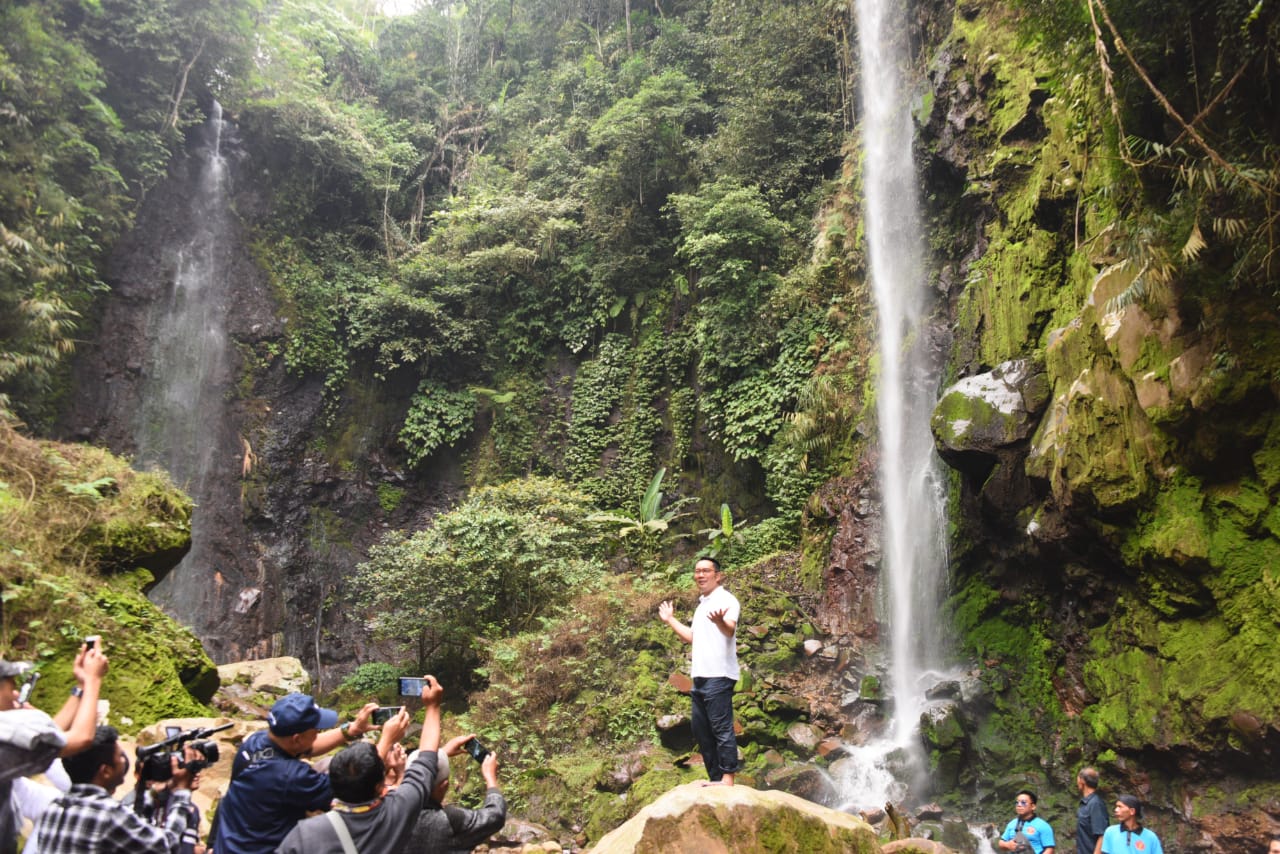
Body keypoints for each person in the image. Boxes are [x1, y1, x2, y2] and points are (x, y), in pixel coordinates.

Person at [274, 677, 443, 853]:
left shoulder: (306, 834)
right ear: (380, 787)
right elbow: (426, 761)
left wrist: (352, 730)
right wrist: (433, 707)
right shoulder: (398, 811)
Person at [210, 692, 382, 854]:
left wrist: (351, 730)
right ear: (297, 738)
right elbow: (355, 782)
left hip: (230, 844)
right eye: (316, 730)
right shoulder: (291, 777)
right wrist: (387, 739)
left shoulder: (257, 742)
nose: (318, 732)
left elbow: (308, 747)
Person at [30, 725, 195, 853]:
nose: (125, 761)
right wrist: (182, 792)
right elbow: (165, 846)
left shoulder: (54, 807)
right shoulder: (108, 815)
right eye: (120, 757)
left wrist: (162, 790)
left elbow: (128, 810)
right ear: (106, 771)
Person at [658, 556, 741, 786]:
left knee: (721, 727)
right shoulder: (702, 605)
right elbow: (692, 638)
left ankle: (727, 778)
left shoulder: (727, 600)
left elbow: (729, 630)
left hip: (720, 674)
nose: (700, 575)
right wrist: (670, 620)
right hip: (701, 676)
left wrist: (719, 623)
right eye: (697, 571)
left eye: (706, 571)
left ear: (718, 575)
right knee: (701, 729)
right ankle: (715, 778)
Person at [404, 735, 507, 852]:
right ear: (444, 786)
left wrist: (442, 753)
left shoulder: (389, 809)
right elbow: (495, 816)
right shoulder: (450, 820)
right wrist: (490, 777)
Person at [998, 789, 1055, 854]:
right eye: (1017, 802)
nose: (1019, 805)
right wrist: (1008, 845)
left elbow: (1049, 849)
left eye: (1023, 802)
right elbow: (1001, 842)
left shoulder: (1042, 825)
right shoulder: (1012, 824)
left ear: (1033, 806)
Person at [1075, 767, 1108, 854]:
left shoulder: (1095, 804)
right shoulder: (1086, 803)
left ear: (1082, 781)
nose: (1077, 782)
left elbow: (1102, 835)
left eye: (1077, 778)